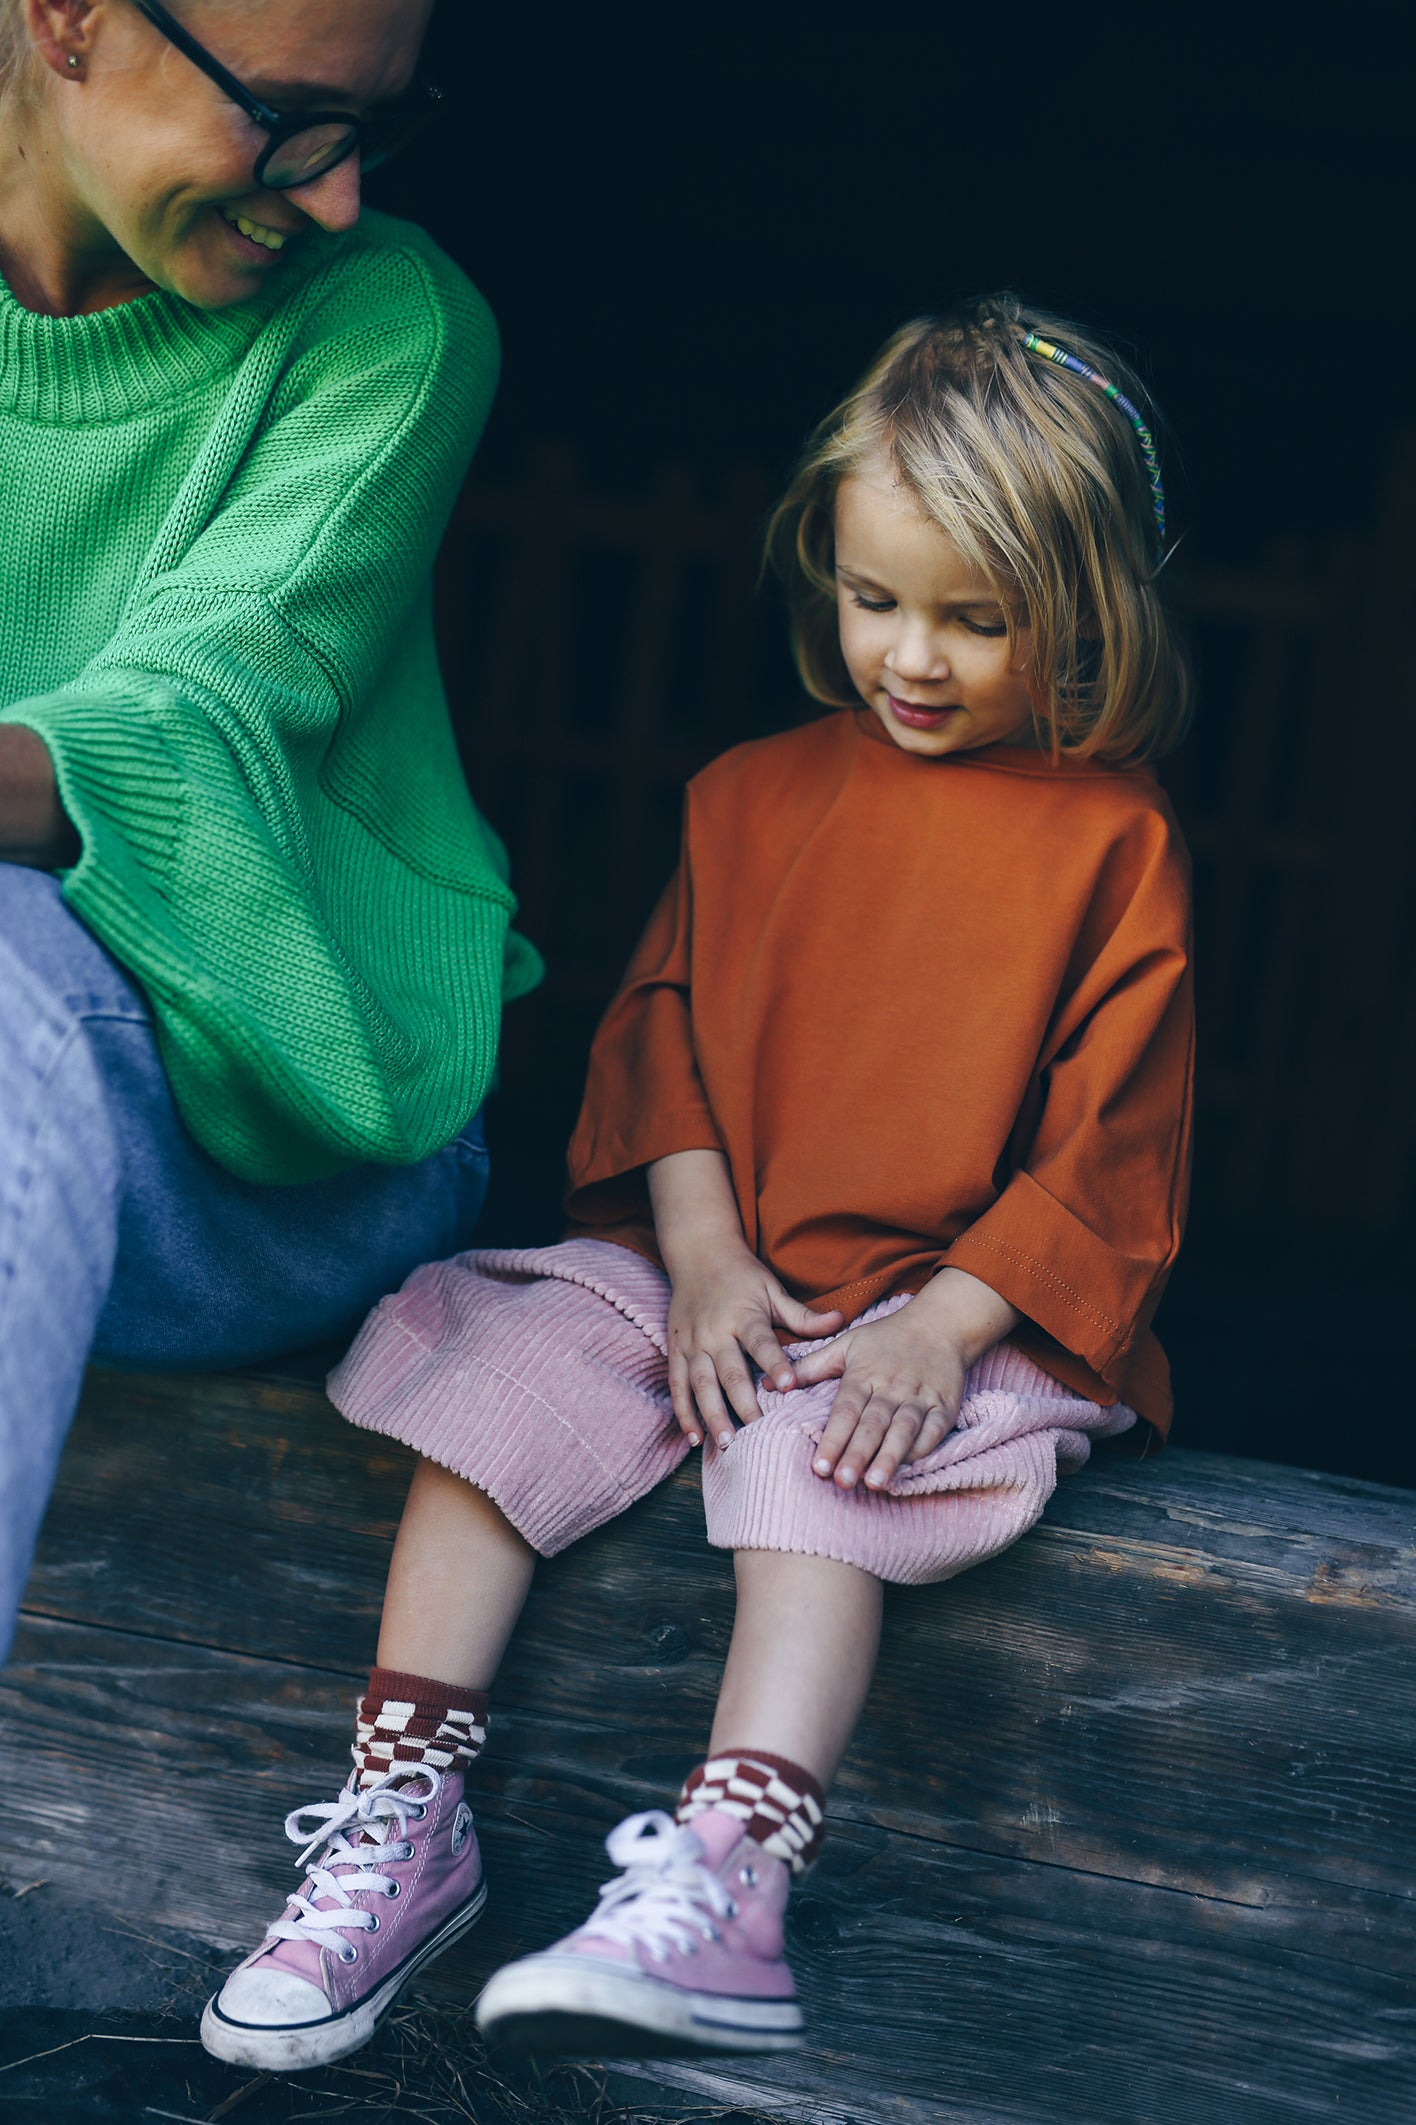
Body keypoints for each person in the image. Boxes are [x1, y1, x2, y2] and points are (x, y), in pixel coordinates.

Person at [203, 296, 1194, 2072]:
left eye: (981, 619)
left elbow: (1113, 1140)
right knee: (494, 1396)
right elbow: (664, 1035)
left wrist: (945, 1325)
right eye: (874, 596)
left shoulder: (1116, 843)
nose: (912, 655)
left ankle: (730, 1879)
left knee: (822, 1454)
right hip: (711, 1252)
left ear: (1093, 605)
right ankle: (400, 1820)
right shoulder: (748, 792)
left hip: (952, 1297)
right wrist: (711, 1258)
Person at [0, 0, 538, 1662]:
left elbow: (180, 719)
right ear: (67, 19)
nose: (334, 195)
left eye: (372, 128)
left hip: (283, 1122)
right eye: (290, 117)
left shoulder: (390, 329)